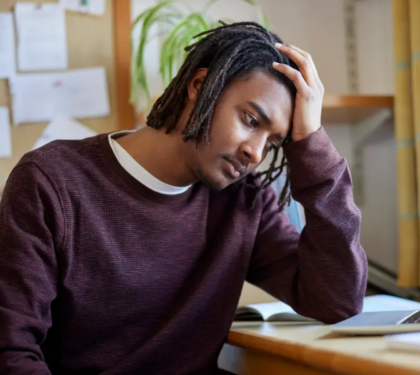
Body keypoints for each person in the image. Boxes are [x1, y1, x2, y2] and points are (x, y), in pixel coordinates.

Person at [0, 22, 367, 374]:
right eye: (251, 120)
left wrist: (312, 145)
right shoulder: (53, 181)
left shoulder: (245, 201)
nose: (256, 154)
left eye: (273, 144)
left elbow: (337, 301)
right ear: (199, 85)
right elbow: (10, 350)